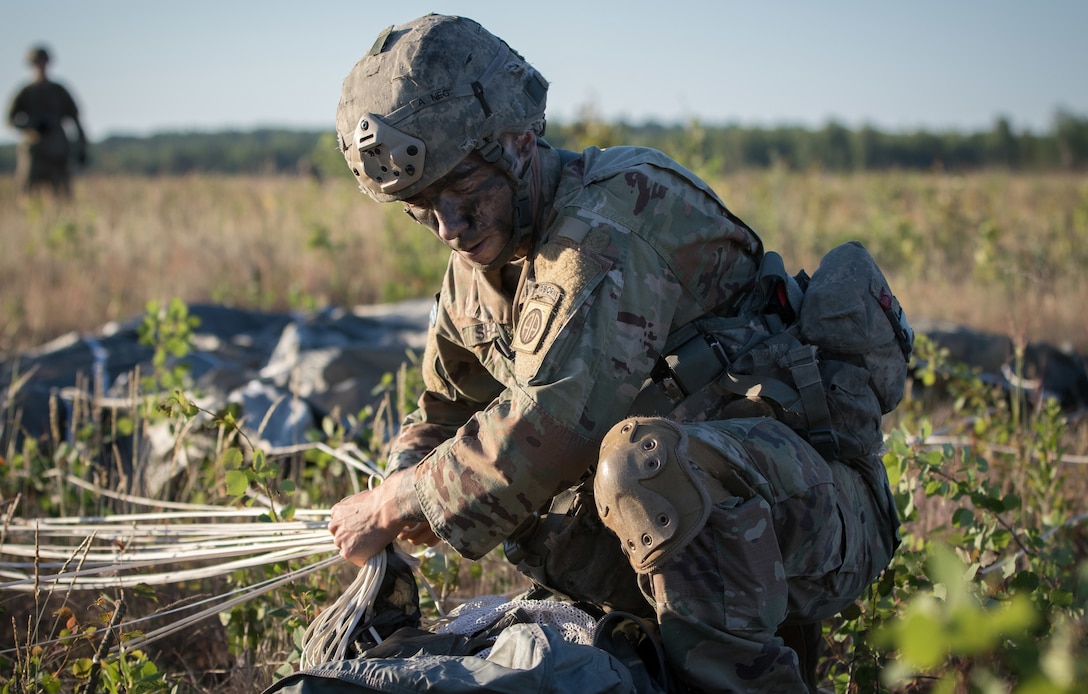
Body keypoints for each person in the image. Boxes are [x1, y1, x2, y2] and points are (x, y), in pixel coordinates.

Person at [328, 14, 903, 692]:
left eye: (463, 192)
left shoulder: (614, 216)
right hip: (680, 537)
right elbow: (445, 408)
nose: (448, 227)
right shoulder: (477, 269)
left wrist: (400, 503)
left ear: (516, 146)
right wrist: (393, 497)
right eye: (421, 207)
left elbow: (550, 427)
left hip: (814, 514)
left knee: (640, 462)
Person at [7, 45, 88, 198]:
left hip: (57, 152)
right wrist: (32, 125)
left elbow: (76, 119)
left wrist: (81, 147)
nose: (41, 66)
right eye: (37, 62)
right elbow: (10, 120)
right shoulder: (26, 92)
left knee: (63, 197)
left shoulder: (59, 91)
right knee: (25, 195)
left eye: (43, 62)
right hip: (34, 151)